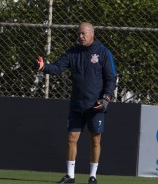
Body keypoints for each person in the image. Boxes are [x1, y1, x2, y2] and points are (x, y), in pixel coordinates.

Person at [36, 22, 116, 184]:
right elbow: (58, 67)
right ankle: (70, 176)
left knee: (95, 140)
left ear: (92, 34)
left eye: (83, 33)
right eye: (78, 33)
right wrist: (44, 67)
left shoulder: (103, 53)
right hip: (77, 105)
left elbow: (111, 78)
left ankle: (92, 176)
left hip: (95, 106)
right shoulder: (73, 52)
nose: (80, 36)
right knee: (71, 138)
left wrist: (106, 98)